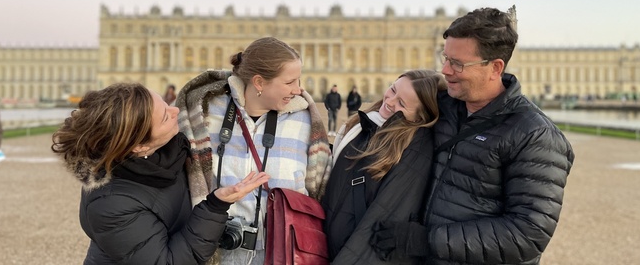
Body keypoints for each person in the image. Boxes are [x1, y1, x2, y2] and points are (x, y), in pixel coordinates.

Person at [370, 7, 575, 264]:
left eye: (457, 63)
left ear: (495, 68)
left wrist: (427, 240)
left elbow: (530, 234)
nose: (444, 70)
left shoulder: (535, 135)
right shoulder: (443, 107)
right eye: (445, 58)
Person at [51, 82, 269, 264]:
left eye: (166, 104)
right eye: (165, 116)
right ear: (139, 146)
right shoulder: (110, 204)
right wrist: (215, 206)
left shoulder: (168, 151)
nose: (176, 111)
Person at [176, 37, 332, 264]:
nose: (298, 89)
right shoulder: (205, 112)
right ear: (259, 82)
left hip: (285, 256)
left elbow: (320, 193)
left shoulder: (306, 121)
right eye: (290, 82)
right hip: (216, 254)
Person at [323, 70, 447, 264]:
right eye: (393, 89)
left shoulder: (412, 151)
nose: (389, 101)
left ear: (420, 116)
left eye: (402, 104)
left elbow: (382, 222)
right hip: (330, 246)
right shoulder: (365, 124)